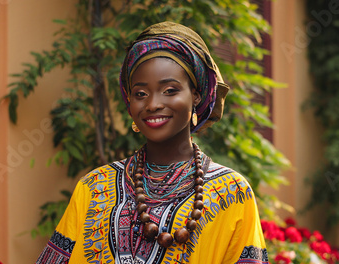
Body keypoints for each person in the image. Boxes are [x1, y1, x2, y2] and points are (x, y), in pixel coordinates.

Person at [36, 21, 267, 264]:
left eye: (169, 90)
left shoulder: (232, 192)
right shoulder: (94, 187)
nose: (153, 104)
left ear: (196, 95)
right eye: (141, 94)